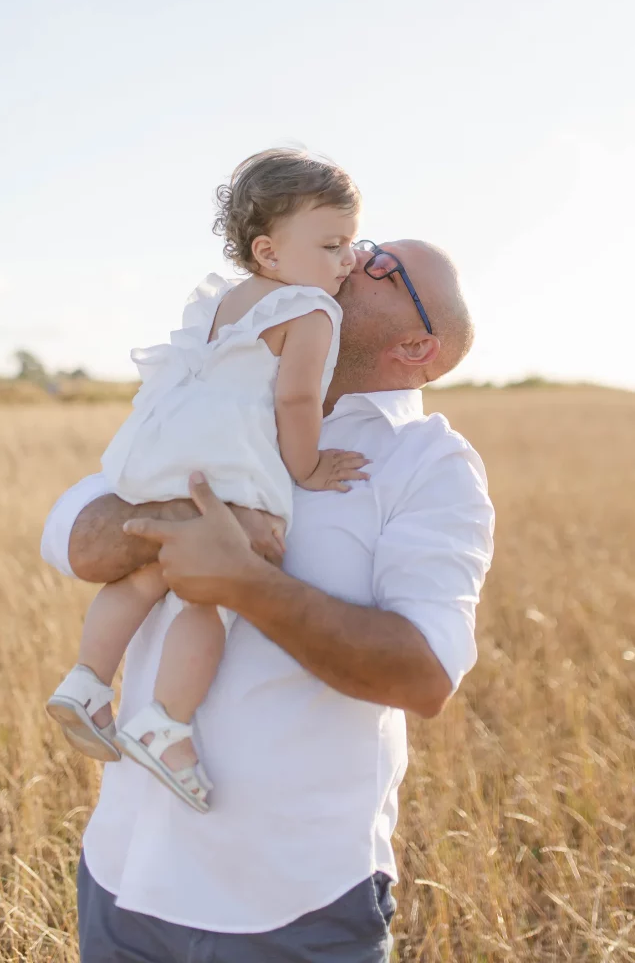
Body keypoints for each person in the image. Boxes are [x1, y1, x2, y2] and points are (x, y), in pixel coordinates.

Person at [41, 237, 495, 963]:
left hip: (293, 904)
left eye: (381, 264)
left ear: (416, 347)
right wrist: (200, 523)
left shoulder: (430, 465)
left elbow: (423, 674)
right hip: (124, 875)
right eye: (357, 243)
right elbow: (75, 540)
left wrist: (246, 582)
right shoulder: (220, 386)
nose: (350, 257)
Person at [45, 148, 365, 811]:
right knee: (207, 596)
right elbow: (296, 401)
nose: (346, 262)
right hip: (231, 460)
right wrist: (305, 467)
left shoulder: (226, 301)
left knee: (143, 575)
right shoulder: (310, 310)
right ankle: (165, 721)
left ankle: (85, 680)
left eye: (352, 245)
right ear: (269, 252)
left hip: (166, 447)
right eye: (333, 245)